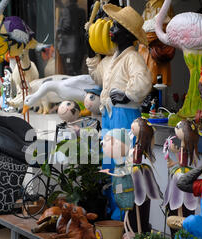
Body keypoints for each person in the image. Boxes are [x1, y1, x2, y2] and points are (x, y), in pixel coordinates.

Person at [86, 4, 152, 222]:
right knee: (109, 165)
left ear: (127, 34)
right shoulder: (113, 58)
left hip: (124, 116)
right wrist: (90, 48)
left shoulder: (132, 57)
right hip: (110, 116)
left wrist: (127, 95)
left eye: (116, 27)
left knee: (122, 168)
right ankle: (113, 216)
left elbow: (143, 81)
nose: (111, 30)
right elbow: (96, 74)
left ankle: (123, 219)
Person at [57, 0, 86, 75]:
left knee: (69, 72)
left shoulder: (66, 10)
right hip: (80, 47)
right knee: (77, 71)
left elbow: (66, 27)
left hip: (68, 47)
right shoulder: (82, 11)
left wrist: (58, 30)